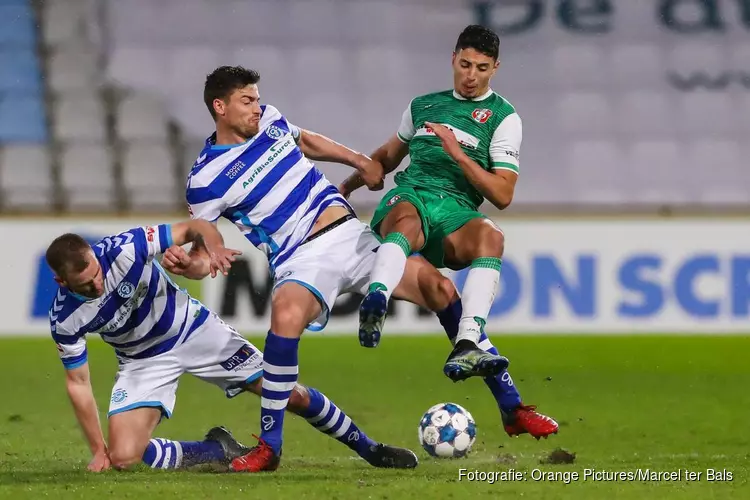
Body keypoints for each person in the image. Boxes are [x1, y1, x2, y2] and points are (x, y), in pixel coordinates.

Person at [178, 65, 509, 473]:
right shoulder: (205, 180)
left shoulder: (272, 121)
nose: (257, 107)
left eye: (258, 99)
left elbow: (308, 141)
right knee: (285, 315)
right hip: (301, 257)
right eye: (247, 101)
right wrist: (192, 263)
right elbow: (200, 244)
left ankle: (509, 404)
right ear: (219, 107)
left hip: (352, 238)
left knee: (439, 288)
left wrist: (359, 161)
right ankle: (269, 447)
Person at [47, 220, 418, 472]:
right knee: (125, 456)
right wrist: (98, 451)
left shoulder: (125, 248)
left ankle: (369, 448)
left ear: (96, 255)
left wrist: (208, 250)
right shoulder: (64, 319)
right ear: (61, 282)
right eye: (86, 285)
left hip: (195, 331)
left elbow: (196, 227)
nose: (98, 285)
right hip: (142, 361)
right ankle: (215, 450)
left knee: (289, 394)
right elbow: (77, 383)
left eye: (97, 273)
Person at [339, 25, 559, 438]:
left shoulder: (503, 118)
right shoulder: (423, 106)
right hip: (412, 196)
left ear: (495, 68)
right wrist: (349, 184)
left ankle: (470, 344)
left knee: (490, 237)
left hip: (456, 211)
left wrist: (459, 156)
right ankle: (377, 299)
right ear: (453, 59)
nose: (470, 75)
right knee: (409, 231)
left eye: (480, 68)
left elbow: (503, 194)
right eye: (464, 65)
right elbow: (388, 155)